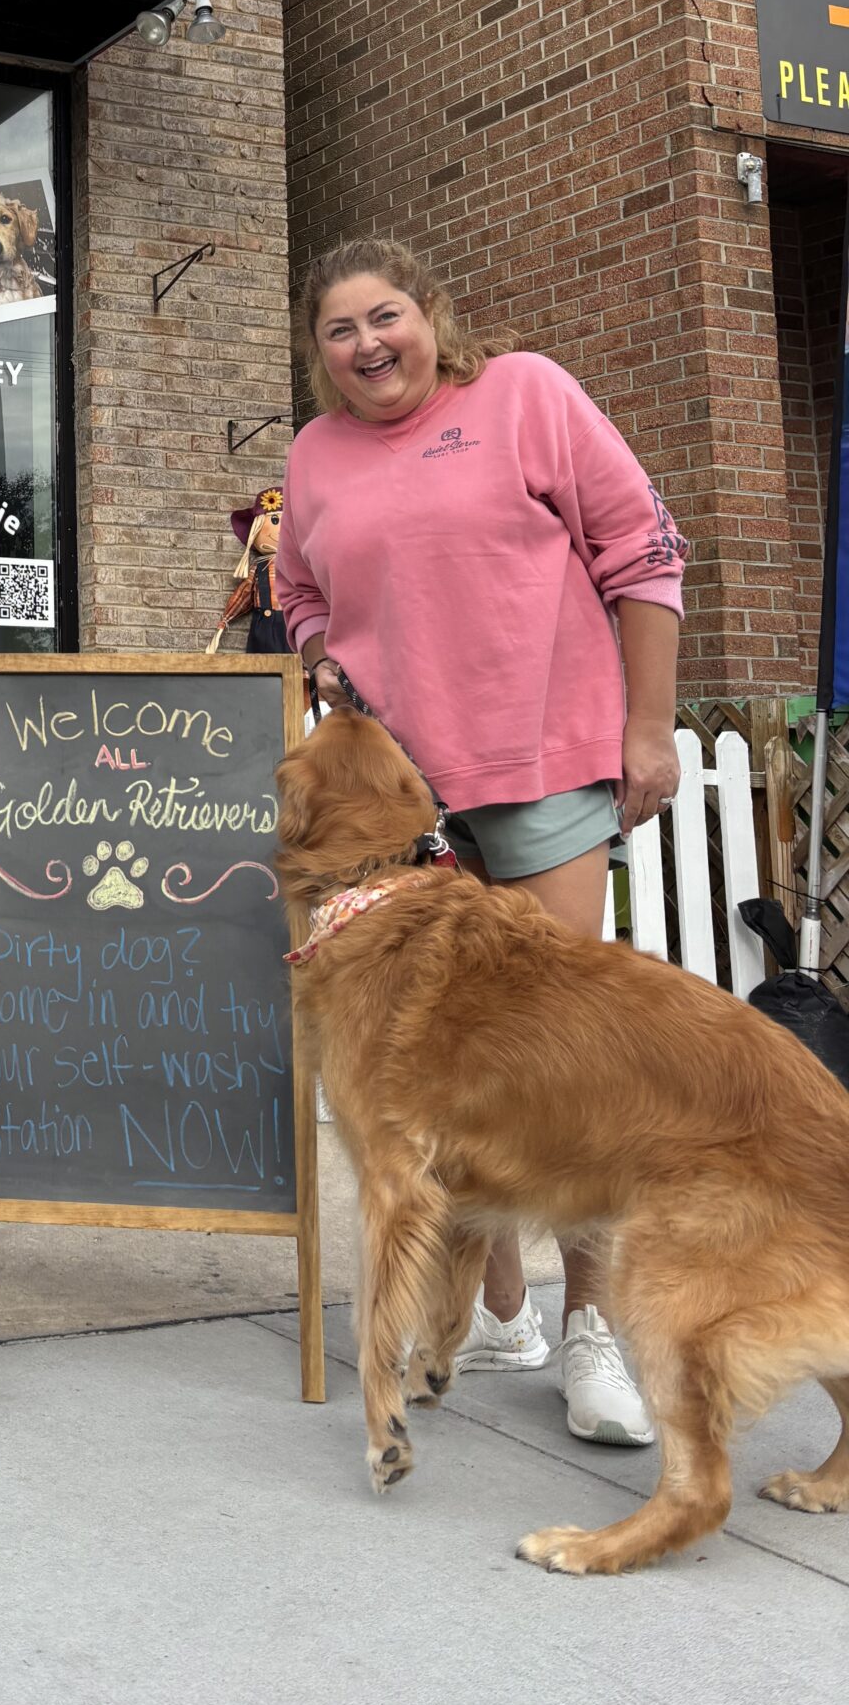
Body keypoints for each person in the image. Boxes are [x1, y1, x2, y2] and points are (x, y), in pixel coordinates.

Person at [273, 234, 688, 1448]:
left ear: (429, 315)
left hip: (545, 765)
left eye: (384, 316)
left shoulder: (527, 396)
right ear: (320, 354)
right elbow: (303, 592)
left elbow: (643, 551)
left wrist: (651, 729)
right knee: (433, 1074)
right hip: (401, 813)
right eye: (339, 331)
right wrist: (317, 654)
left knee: (566, 1062)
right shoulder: (313, 456)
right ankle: (495, 1307)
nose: (366, 345)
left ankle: (592, 1331)